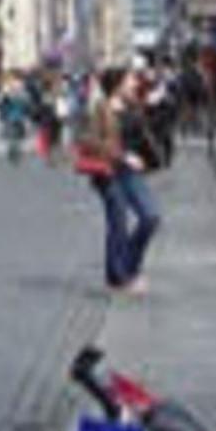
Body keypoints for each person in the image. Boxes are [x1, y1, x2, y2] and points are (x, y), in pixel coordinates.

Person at [80, 68, 164, 295]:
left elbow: (145, 134)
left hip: (131, 172)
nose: (134, 83)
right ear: (117, 85)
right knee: (118, 222)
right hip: (109, 172)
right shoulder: (101, 109)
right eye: (129, 80)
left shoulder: (134, 106)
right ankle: (119, 277)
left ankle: (128, 267)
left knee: (150, 216)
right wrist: (123, 156)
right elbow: (88, 141)